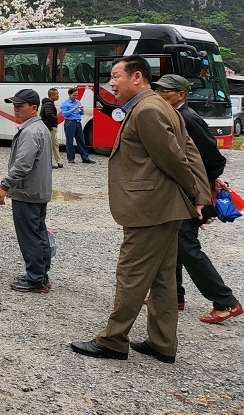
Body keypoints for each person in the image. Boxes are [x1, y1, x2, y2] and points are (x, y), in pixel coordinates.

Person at [70, 55, 210, 364]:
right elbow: (189, 151)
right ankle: (162, 342)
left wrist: (196, 194)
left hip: (151, 208)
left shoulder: (147, 109)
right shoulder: (159, 105)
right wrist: (199, 193)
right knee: (162, 278)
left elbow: (175, 158)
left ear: (137, 77)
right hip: (164, 208)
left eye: (115, 76)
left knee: (131, 273)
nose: (111, 83)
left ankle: (113, 339)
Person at [153, 74, 242, 324]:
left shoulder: (188, 118)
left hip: (191, 193)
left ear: (180, 95)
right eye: (158, 90)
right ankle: (174, 296)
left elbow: (213, 157)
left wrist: (209, 183)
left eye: (165, 91)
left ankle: (226, 301)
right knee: (173, 242)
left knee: (187, 245)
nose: (159, 95)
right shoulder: (173, 115)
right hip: (179, 191)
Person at [0, 89, 54, 292]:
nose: (16, 110)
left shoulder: (30, 132)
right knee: (38, 233)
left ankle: (36, 279)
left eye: (20, 106)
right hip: (37, 191)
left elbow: (22, 165)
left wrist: (4, 186)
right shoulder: (40, 128)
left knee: (30, 236)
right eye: (14, 106)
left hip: (27, 192)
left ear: (34, 108)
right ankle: (41, 275)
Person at [60, 87, 94, 164]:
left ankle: (85, 157)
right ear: (69, 94)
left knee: (81, 140)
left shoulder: (78, 102)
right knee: (69, 141)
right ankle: (71, 158)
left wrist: (82, 110)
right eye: (74, 95)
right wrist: (73, 109)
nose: (75, 97)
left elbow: (81, 113)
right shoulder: (65, 104)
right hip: (70, 122)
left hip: (78, 122)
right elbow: (64, 114)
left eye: (77, 95)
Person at [40, 87, 64, 169]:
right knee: (51, 145)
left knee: (54, 144)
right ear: (51, 95)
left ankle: (59, 162)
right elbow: (48, 114)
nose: (58, 96)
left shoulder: (47, 103)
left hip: (49, 126)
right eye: (56, 94)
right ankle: (49, 162)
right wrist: (55, 120)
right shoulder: (49, 104)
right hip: (50, 127)